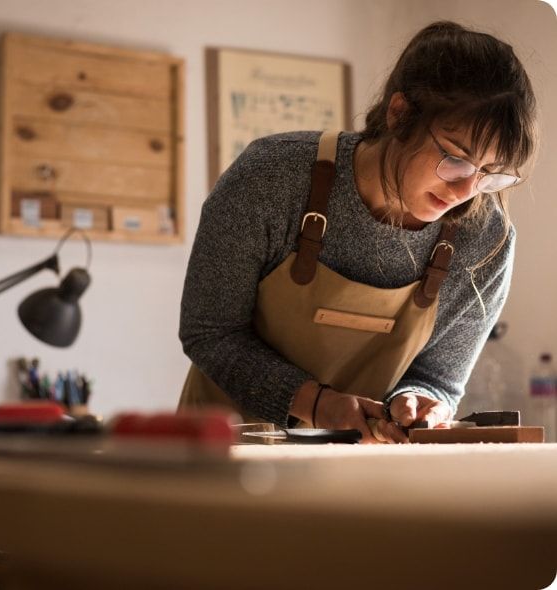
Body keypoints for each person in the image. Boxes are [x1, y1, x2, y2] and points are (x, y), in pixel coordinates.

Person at [178, 21, 537, 443]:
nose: (465, 191)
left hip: (360, 471)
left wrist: (420, 403)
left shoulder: (484, 239)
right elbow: (210, 330)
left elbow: (439, 378)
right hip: (223, 455)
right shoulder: (272, 177)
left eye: (490, 174)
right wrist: (315, 403)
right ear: (400, 113)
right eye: (456, 158)